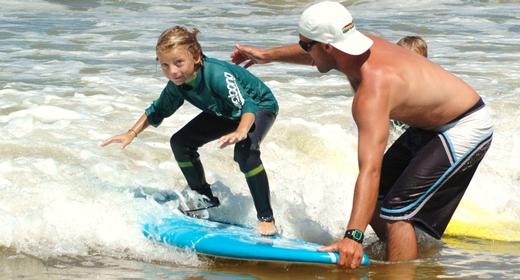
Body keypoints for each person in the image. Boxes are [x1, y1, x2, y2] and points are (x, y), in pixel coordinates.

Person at [230, 1, 493, 269]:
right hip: (433, 123)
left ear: (328, 47)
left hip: (465, 125)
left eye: (305, 45)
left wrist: (352, 237)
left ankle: (402, 265)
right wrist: (267, 55)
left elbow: (370, 170)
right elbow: (315, 53)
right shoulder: (355, 46)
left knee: (397, 211)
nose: (303, 51)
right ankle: (405, 256)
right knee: (379, 202)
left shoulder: (373, 90)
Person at [101, 26, 279, 235]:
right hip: (224, 112)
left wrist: (241, 130)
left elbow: (246, 105)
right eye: (165, 65)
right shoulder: (178, 84)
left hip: (259, 107)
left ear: (195, 56)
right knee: (180, 142)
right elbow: (158, 109)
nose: (172, 71)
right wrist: (131, 133)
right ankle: (203, 199)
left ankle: (267, 218)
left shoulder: (216, 75)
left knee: (245, 151)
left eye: (178, 63)